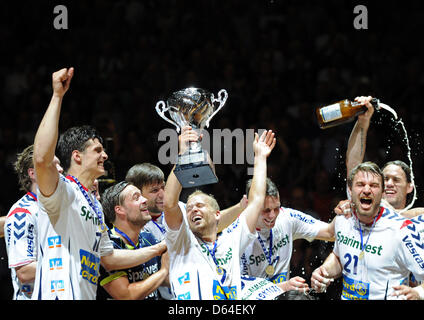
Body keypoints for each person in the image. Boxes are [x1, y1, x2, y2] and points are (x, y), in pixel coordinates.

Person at [32, 67, 166, 299]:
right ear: (77, 156)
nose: (104, 156)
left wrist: (161, 248)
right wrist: (57, 96)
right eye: (97, 150)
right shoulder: (62, 189)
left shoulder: (94, 205)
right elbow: (42, 159)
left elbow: (110, 259)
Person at [163, 128, 282, 300]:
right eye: (189, 209)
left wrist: (260, 158)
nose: (193, 210)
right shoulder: (181, 241)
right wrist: (182, 156)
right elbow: (169, 203)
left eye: (200, 205)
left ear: (217, 214)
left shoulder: (231, 238)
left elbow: (256, 200)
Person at [311, 162, 424, 300]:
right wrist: (324, 271)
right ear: (350, 190)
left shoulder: (402, 230)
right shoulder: (343, 219)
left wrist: (419, 292)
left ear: (382, 193)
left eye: (374, 185)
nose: (366, 190)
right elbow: (339, 257)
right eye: (360, 184)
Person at [240, 177, 335, 292]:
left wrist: (347, 209)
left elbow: (330, 232)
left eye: (276, 208)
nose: (272, 216)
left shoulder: (287, 218)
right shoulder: (237, 234)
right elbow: (239, 290)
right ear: (250, 205)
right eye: (266, 210)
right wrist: (281, 288)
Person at [3, 145, 63, 299]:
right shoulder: (22, 213)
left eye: (60, 164)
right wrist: (68, 262)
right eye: (54, 165)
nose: (61, 169)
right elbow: (25, 271)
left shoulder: (61, 208)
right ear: (33, 173)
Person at [345, 96, 420, 216]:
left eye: (396, 180)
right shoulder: (362, 210)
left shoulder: (419, 220)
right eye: (385, 179)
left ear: (409, 187)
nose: (389, 184)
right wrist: (363, 121)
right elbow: (353, 164)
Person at [97, 181, 169, 300]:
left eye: (142, 195)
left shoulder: (149, 238)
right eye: (136, 198)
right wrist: (164, 271)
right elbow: (127, 296)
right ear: (119, 210)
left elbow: (164, 280)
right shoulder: (107, 246)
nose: (144, 200)